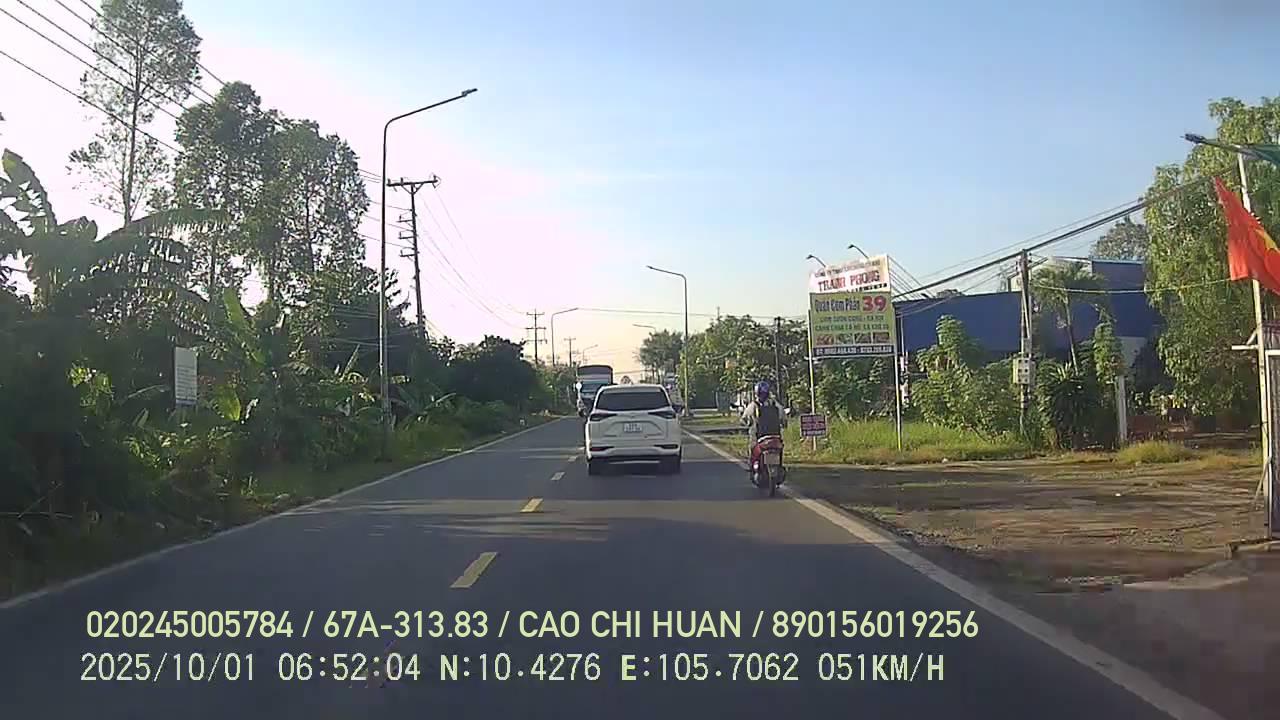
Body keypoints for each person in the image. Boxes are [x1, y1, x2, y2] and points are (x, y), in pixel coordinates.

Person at [740, 380, 787, 471]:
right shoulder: (776, 404)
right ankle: (779, 467)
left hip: (759, 437)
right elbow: (783, 418)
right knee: (779, 449)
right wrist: (783, 424)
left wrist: (746, 423)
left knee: (752, 448)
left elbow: (744, 418)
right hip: (775, 436)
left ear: (756, 393)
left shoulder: (753, 405)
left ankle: (753, 466)